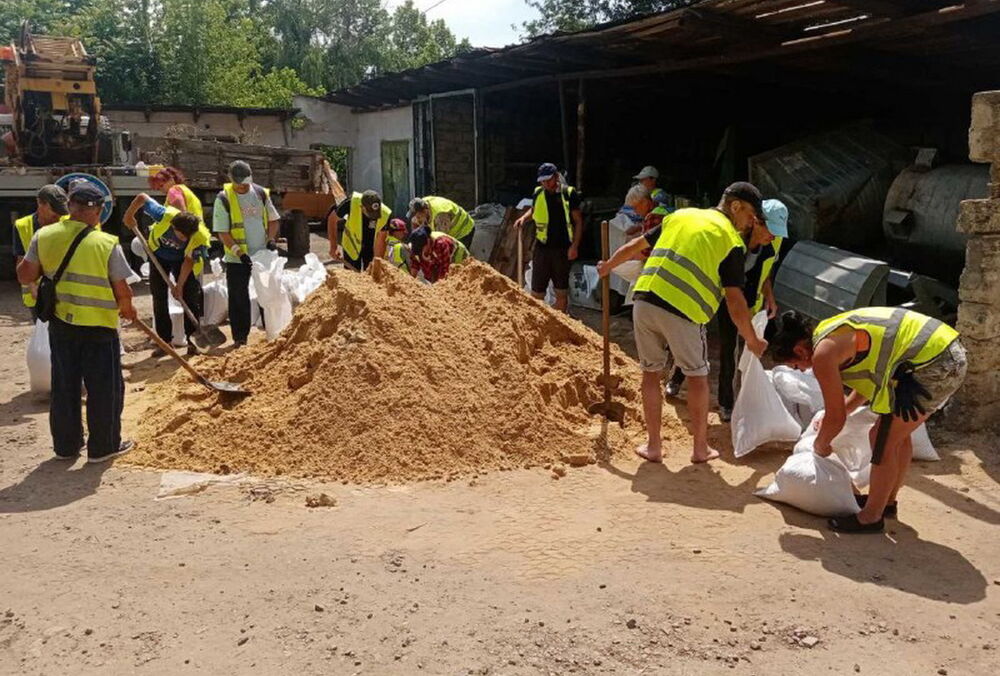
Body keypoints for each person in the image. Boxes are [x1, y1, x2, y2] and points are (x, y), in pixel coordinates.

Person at [596, 182, 771, 464]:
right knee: (697, 377)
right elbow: (735, 300)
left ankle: (653, 446)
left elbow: (635, 246)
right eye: (750, 214)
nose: (751, 222)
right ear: (736, 206)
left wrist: (608, 266)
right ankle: (700, 449)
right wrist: (751, 339)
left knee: (650, 374)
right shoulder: (730, 240)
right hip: (682, 311)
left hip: (644, 301)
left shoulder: (681, 216)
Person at [767, 308, 967, 533]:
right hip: (942, 353)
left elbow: (836, 418)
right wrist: (840, 414)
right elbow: (867, 383)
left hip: (934, 362)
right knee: (897, 437)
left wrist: (820, 446)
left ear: (800, 350)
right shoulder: (830, 332)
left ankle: (871, 517)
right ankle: (886, 503)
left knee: (883, 439)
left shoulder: (823, 354)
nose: (800, 370)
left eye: (796, 365)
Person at [16, 183, 137, 463]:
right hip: (99, 328)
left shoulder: (43, 235)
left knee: (65, 387)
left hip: (61, 326)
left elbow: (25, 276)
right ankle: (103, 447)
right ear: (95, 210)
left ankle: (66, 447)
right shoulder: (105, 243)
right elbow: (123, 290)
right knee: (104, 388)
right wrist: (128, 311)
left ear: (71, 207)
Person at [666, 199, 789, 421]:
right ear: (756, 222)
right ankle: (675, 379)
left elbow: (766, 271)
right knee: (693, 335)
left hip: (741, 298)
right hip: (712, 291)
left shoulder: (774, 243)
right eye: (771, 230)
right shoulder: (731, 236)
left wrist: (769, 295)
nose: (773, 237)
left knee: (728, 347)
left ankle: (726, 403)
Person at [124, 193, 210, 353]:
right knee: (159, 297)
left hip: (181, 260)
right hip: (158, 255)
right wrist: (129, 215)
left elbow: (188, 261)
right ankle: (165, 343)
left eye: (187, 237)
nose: (184, 239)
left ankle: (192, 341)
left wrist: (179, 286)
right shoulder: (164, 215)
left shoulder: (199, 237)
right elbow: (142, 197)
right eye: (181, 235)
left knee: (190, 295)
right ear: (173, 227)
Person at [213, 160, 280, 346]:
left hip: (261, 255)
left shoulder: (260, 194)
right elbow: (222, 232)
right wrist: (239, 253)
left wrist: (271, 240)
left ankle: (272, 332)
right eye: (239, 183)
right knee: (238, 297)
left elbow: (273, 220)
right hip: (237, 259)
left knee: (267, 293)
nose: (242, 186)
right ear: (231, 179)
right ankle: (240, 338)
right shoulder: (224, 198)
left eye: (245, 182)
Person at [513, 163, 584, 313]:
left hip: (562, 249)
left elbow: (578, 221)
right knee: (536, 292)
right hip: (542, 248)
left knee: (561, 291)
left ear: (556, 177)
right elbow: (534, 209)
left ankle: (560, 322)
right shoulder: (538, 193)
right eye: (542, 181)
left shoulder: (568, 194)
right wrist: (524, 218)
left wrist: (574, 246)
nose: (546, 184)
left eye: (548, 180)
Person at [12, 184, 69, 320]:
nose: (57, 217)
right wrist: (32, 286)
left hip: (65, 295)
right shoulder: (22, 226)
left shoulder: (68, 223)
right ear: (40, 203)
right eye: (53, 212)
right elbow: (21, 262)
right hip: (37, 298)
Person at [327, 190, 392, 272]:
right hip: (351, 246)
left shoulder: (385, 214)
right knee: (351, 278)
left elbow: (381, 240)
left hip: (370, 246)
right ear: (362, 207)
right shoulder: (350, 203)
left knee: (371, 273)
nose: (373, 217)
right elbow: (332, 219)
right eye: (370, 213)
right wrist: (333, 246)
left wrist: (377, 263)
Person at [407, 196, 476, 250]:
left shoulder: (440, 216)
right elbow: (414, 223)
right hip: (448, 229)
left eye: (418, 217)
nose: (416, 219)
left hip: (464, 230)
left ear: (425, 211)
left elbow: (442, 240)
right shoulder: (422, 203)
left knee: (456, 256)